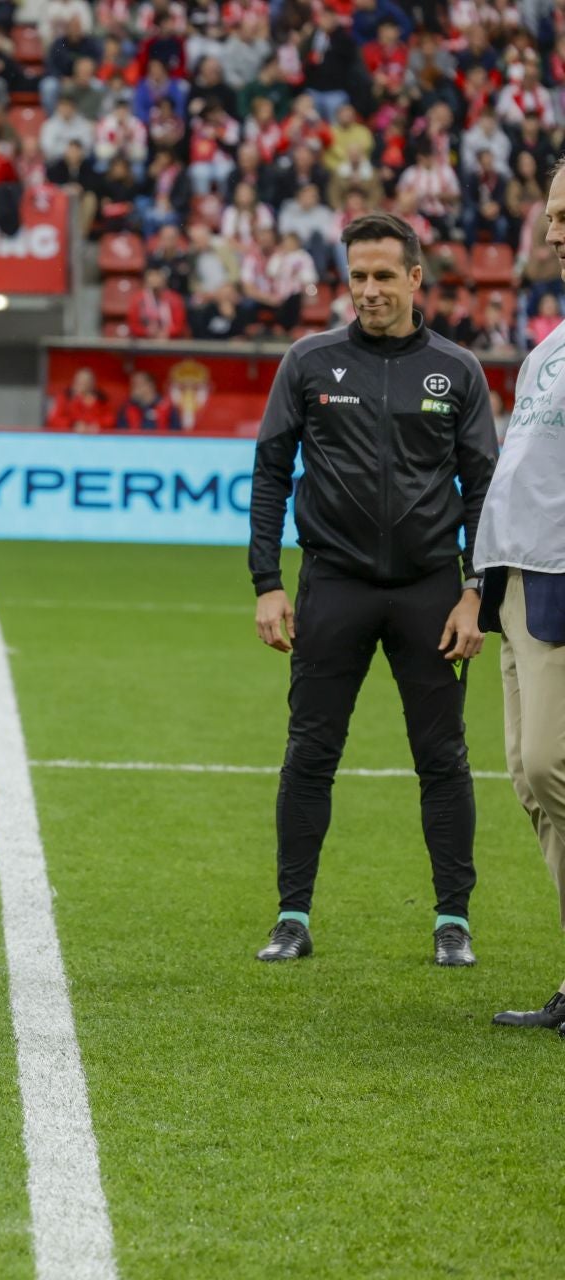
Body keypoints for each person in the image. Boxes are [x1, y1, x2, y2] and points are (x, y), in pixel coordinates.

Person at [247, 212, 497, 966]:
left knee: (443, 758)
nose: (369, 290)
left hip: (431, 592)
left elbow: (485, 487)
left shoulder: (458, 370)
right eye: (358, 276)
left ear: (416, 279)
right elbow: (270, 472)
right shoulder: (309, 361)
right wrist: (267, 582)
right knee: (310, 752)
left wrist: (475, 591)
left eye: (385, 275)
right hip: (334, 585)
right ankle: (292, 916)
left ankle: (452, 920)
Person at [480, 163, 565, 1033]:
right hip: (515, 581)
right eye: (550, 215)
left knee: (550, 766)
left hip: (561, 582)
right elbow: (516, 477)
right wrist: (480, 587)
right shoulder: (549, 345)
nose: (553, 232)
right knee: (529, 780)